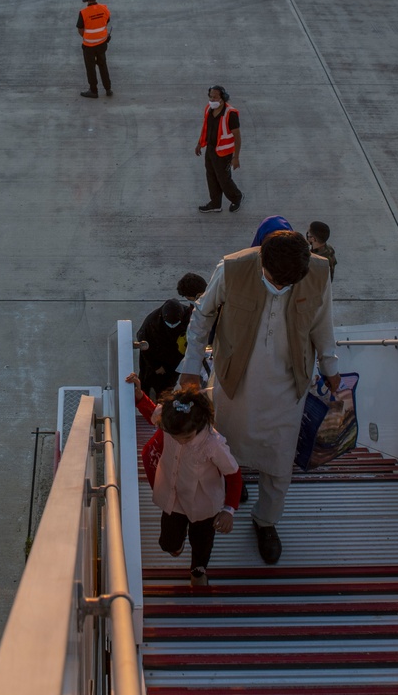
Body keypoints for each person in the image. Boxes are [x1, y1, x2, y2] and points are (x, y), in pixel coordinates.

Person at [178, 229, 342, 565]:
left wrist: (330, 365)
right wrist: (190, 366)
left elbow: (322, 324)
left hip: (288, 388)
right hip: (233, 384)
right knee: (220, 448)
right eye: (274, 281)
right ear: (261, 261)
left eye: (287, 284)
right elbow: (201, 317)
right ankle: (224, 495)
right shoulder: (231, 270)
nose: (280, 288)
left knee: (280, 462)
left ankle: (265, 521)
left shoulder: (318, 272)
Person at [128, 373, 241, 590]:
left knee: (202, 542)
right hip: (173, 497)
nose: (180, 440)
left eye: (186, 438)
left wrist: (229, 509)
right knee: (168, 543)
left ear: (199, 424)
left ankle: (198, 570)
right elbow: (152, 412)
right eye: (174, 436)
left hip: (204, 504)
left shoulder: (212, 443)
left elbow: (233, 474)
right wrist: (139, 395)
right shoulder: (171, 421)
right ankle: (175, 544)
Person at [196, 86, 242, 213]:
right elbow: (205, 128)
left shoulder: (230, 114)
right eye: (210, 96)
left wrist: (236, 157)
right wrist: (200, 143)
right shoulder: (209, 109)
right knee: (211, 176)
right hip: (210, 150)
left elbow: (237, 137)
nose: (212, 99)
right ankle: (215, 203)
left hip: (223, 152)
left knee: (224, 179)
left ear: (223, 97)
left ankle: (237, 198)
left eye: (215, 97)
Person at [136, 298, 191, 398]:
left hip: (179, 361)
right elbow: (143, 346)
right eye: (170, 323)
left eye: (176, 323)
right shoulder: (152, 322)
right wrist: (155, 366)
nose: (172, 327)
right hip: (158, 362)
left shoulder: (189, 316)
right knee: (155, 386)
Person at [77, 0, 112, 98]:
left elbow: (80, 29)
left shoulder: (83, 13)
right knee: (103, 65)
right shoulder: (104, 8)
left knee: (90, 68)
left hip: (89, 46)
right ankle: (108, 89)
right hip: (102, 44)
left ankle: (93, 91)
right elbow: (106, 21)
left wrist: (87, 36)